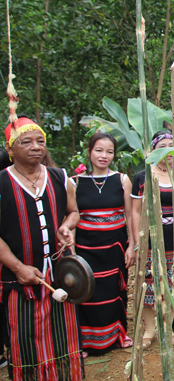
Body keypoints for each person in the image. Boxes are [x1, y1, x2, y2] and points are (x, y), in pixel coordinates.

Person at [0, 117, 83, 380]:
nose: (36, 147)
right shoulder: (1, 182)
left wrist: (67, 227)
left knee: (64, 337)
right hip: (21, 278)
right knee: (26, 340)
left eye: (41, 141)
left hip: (60, 274)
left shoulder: (60, 177)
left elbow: (74, 212)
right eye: (27, 142)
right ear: (10, 148)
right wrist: (17, 267)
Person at [131, 130, 174, 348]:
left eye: (173, 145)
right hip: (151, 240)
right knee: (151, 285)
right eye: (163, 145)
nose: (169, 149)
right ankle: (149, 331)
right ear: (153, 149)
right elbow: (134, 212)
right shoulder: (142, 177)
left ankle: (167, 329)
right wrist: (136, 242)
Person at [74, 132, 135, 353]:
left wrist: (132, 245)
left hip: (114, 247)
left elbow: (129, 215)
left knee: (113, 292)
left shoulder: (121, 180)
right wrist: (71, 253)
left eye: (109, 152)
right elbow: (72, 218)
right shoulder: (75, 182)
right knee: (87, 293)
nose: (104, 156)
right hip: (86, 249)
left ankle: (116, 335)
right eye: (99, 150)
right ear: (89, 152)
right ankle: (86, 342)